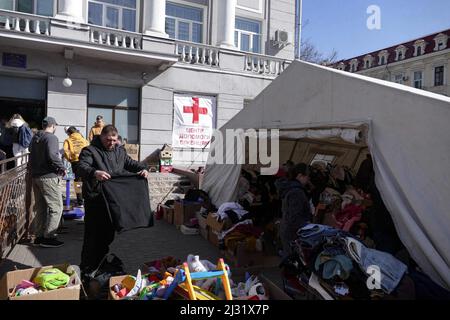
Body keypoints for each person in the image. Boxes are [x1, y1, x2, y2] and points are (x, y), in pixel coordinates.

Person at [76, 125, 149, 273]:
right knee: (93, 236)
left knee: (107, 235)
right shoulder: (89, 151)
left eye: (114, 140)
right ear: (101, 136)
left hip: (113, 200)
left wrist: (143, 168)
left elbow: (130, 163)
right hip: (95, 200)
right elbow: (81, 167)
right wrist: (94, 172)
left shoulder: (119, 150)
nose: (111, 143)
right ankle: (87, 267)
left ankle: (100, 264)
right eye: (108, 140)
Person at [28, 117, 66, 248]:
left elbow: (31, 155)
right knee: (57, 207)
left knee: (41, 208)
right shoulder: (51, 138)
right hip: (48, 176)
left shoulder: (35, 137)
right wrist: (62, 167)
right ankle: (49, 237)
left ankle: (38, 237)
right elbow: (53, 155)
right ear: (53, 125)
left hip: (36, 176)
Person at [275, 163, 312, 258]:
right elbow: (294, 217)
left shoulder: (291, 188)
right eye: (307, 176)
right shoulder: (296, 192)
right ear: (300, 175)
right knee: (291, 260)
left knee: (289, 258)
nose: (308, 179)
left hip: (288, 228)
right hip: (292, 232)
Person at [63, 126, 89, 206]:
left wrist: (70, 158)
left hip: (75, 163)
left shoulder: (68, 140)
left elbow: (65, 151)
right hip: (85, 162)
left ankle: (80, 201)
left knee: (78, 182)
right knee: (86, 181)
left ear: (69, 133)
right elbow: (89, 148)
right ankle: (87, 200)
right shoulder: (83, 139)